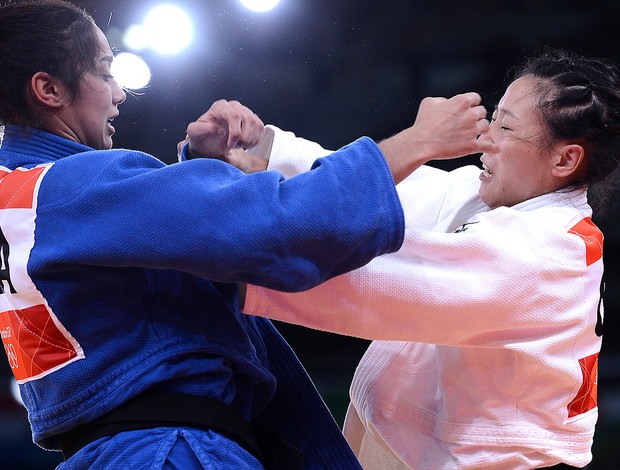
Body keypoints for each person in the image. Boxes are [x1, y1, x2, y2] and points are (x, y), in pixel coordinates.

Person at [0, 1, 495, 469]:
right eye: (105, 71)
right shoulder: (73, 185)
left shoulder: (20, 195)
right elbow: (280, 229)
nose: (119, 92)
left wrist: (202, 170)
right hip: (172, 451)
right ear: (49, 90)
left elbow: (131, 271)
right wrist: (416, 142)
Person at [240, 49, 620, 469]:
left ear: (564, 159)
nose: (485, 139)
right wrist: (263, 147)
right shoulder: (498, 202)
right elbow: (376, 191)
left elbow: (368, 278)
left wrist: (236, 237)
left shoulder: (544, 254)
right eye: (494, 119)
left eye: (507, 128)